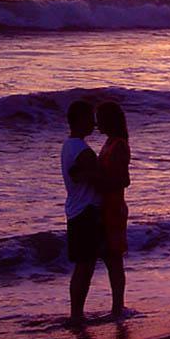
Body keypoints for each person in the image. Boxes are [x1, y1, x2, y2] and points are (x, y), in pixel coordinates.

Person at [60, 100, 103, 325]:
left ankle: (77, 313)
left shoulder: (69, 145)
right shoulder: (80, 149)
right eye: (89, 118)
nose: (94, 124)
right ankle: (77, 314)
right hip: (86, 210)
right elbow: (94, 175)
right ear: (78, 120)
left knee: (82, 265)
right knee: (85, 266)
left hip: (76, 209)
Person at [96, 101, 132, 318]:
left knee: (114, 258)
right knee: (110, 257)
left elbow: (123, 180)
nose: (96, 123)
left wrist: (96, 180)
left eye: (100, 118)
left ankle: (118, 306)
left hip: (114, 207)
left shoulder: (118, 144)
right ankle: (116, 306)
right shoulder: (110, 142)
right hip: (106, 205)